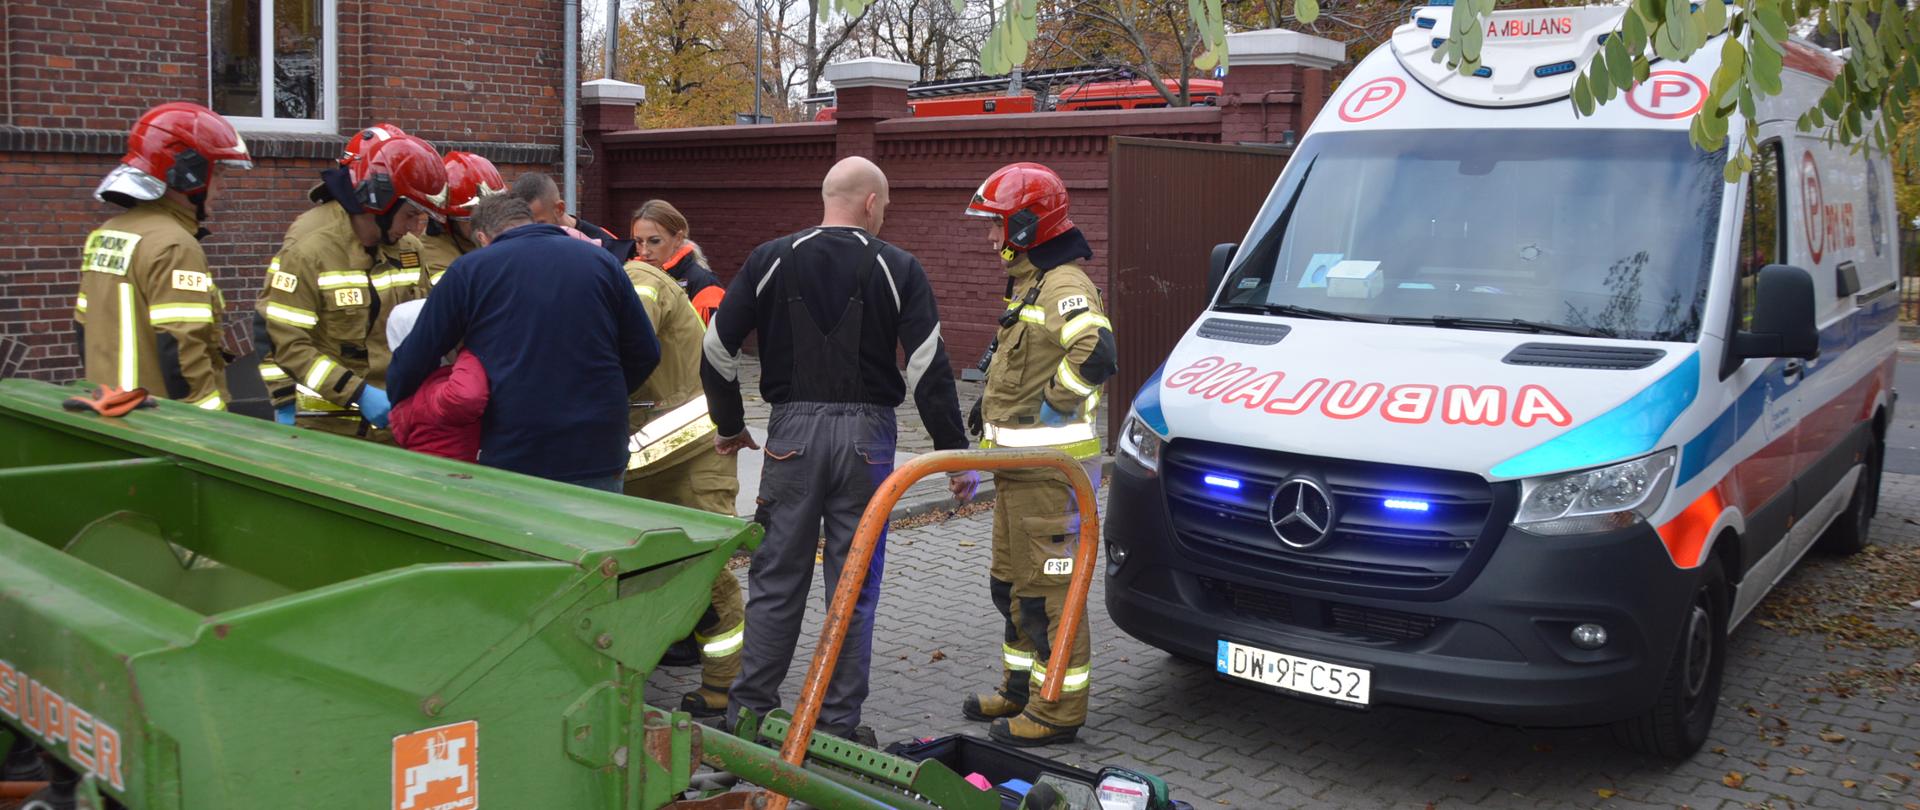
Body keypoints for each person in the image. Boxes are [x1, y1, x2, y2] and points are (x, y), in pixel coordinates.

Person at [700, 156, 976, 744]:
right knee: (852, 584)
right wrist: (953, 450)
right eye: (887, 207)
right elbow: (929, 367)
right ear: (872, 203)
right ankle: (838, 727)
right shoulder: (898, 266)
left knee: (776, 579)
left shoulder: (769, 258)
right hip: (868, 444)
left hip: (790, 438)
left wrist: (729, 425)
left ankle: (747, 717)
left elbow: (716, 348)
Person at [959, 162, 1117, 747]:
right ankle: (1020, 690)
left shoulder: (1063, 284)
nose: (989, 237)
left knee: (1051, 593)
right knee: (1012, 587)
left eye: (996, 225)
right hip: (1016, 477)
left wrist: (1053, 410)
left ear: (1026, 226)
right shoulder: (1031, 281)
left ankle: (1057, 711)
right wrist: (981, 460)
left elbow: (1096, 354)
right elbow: (1011, 384)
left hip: (1051, 479)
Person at [386, 194, 661, 491]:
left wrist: (399, 404)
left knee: (522, 537)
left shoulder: (470, 270)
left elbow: (418, 353)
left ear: (482, 236)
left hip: (516, 448)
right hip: (598, 446)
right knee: (597, 535)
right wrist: (601, 396)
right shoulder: (602, 262)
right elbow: (645, 351)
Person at [620, 253, 746, 719]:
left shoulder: (639, 280)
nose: (647, 246)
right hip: (647, 462)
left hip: (695, 455)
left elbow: (628, 346)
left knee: (708, 574)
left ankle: (724, 686)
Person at [256, 134, 446, 437]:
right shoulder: (309, 252)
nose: (414, 228)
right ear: (379, 201)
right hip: (328, 430)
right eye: (410, 215)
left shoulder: (410, 250)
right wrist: (358, 393)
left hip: (398, 425)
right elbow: (287, 343)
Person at [74, 102, 253, 409]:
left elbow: (83, 328)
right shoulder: (175, 246)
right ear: (189, 174)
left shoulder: (106, 234)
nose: (222, 186)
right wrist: (213, 428)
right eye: (219, 173)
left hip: (111, 410)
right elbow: (183, 352)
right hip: (161, 423)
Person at [385, 299, 487, 462]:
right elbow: (465, 397)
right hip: (456, 481)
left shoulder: (413, 392)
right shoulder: (433, 393)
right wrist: (470, 351)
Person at [629, 200, 725, 324]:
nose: (644, 251)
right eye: (638, 241)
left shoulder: (703, 284)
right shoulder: (628, 276)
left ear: (678, 239)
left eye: (655, 241)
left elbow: (710, 340)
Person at [419, 151, 506, 287]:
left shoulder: (482, 241)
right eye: (471, 220)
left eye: (492, 215)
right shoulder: (432, 253)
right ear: (448, 219)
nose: (485, 225)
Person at [508, 171, 621, 251]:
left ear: (559, 209)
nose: (530, 233)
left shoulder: (606, 245)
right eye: (523, 227)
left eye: (539, 224)